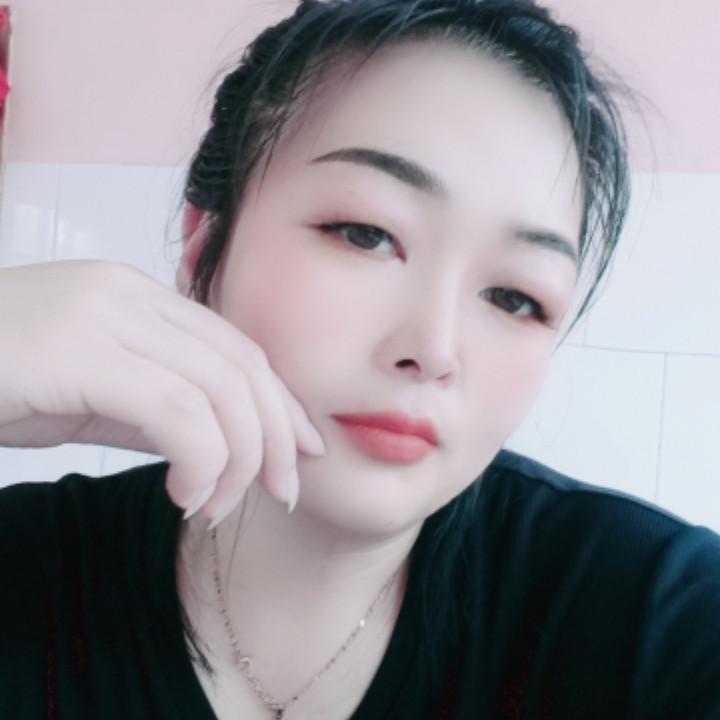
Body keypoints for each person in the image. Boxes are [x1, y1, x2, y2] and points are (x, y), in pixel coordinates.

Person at [1, 0, 719, 718]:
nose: (433, 350)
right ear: (203, 248)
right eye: (365, 234)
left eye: (514, 296)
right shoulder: (27, 568)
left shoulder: (655, 614)